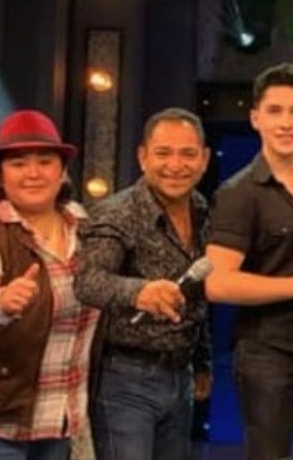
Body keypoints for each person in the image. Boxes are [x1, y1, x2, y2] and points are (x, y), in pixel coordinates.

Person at [0, 109, 101, 460]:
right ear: (0, 176)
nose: (33, 173)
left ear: (62, 171)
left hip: (57, 421)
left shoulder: (84, 226)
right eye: (18, 163)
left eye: (45, 161)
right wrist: (0, 303)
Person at [205, 62, 293, 460]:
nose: (286, 122)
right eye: (275, 111)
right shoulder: (238, 193)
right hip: (268, 352)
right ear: (256, 118)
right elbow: (218, 283)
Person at [75, 108, 213, 460]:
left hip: (180, 375)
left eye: (187, 154)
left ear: (204, 159)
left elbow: (197, 296)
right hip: (125, 379)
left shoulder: (204, 211)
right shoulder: (117, 212)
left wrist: (202, 361)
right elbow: (87, 281)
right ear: (142, 157)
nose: (175, 165)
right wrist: (138, 292)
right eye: (163, 153)